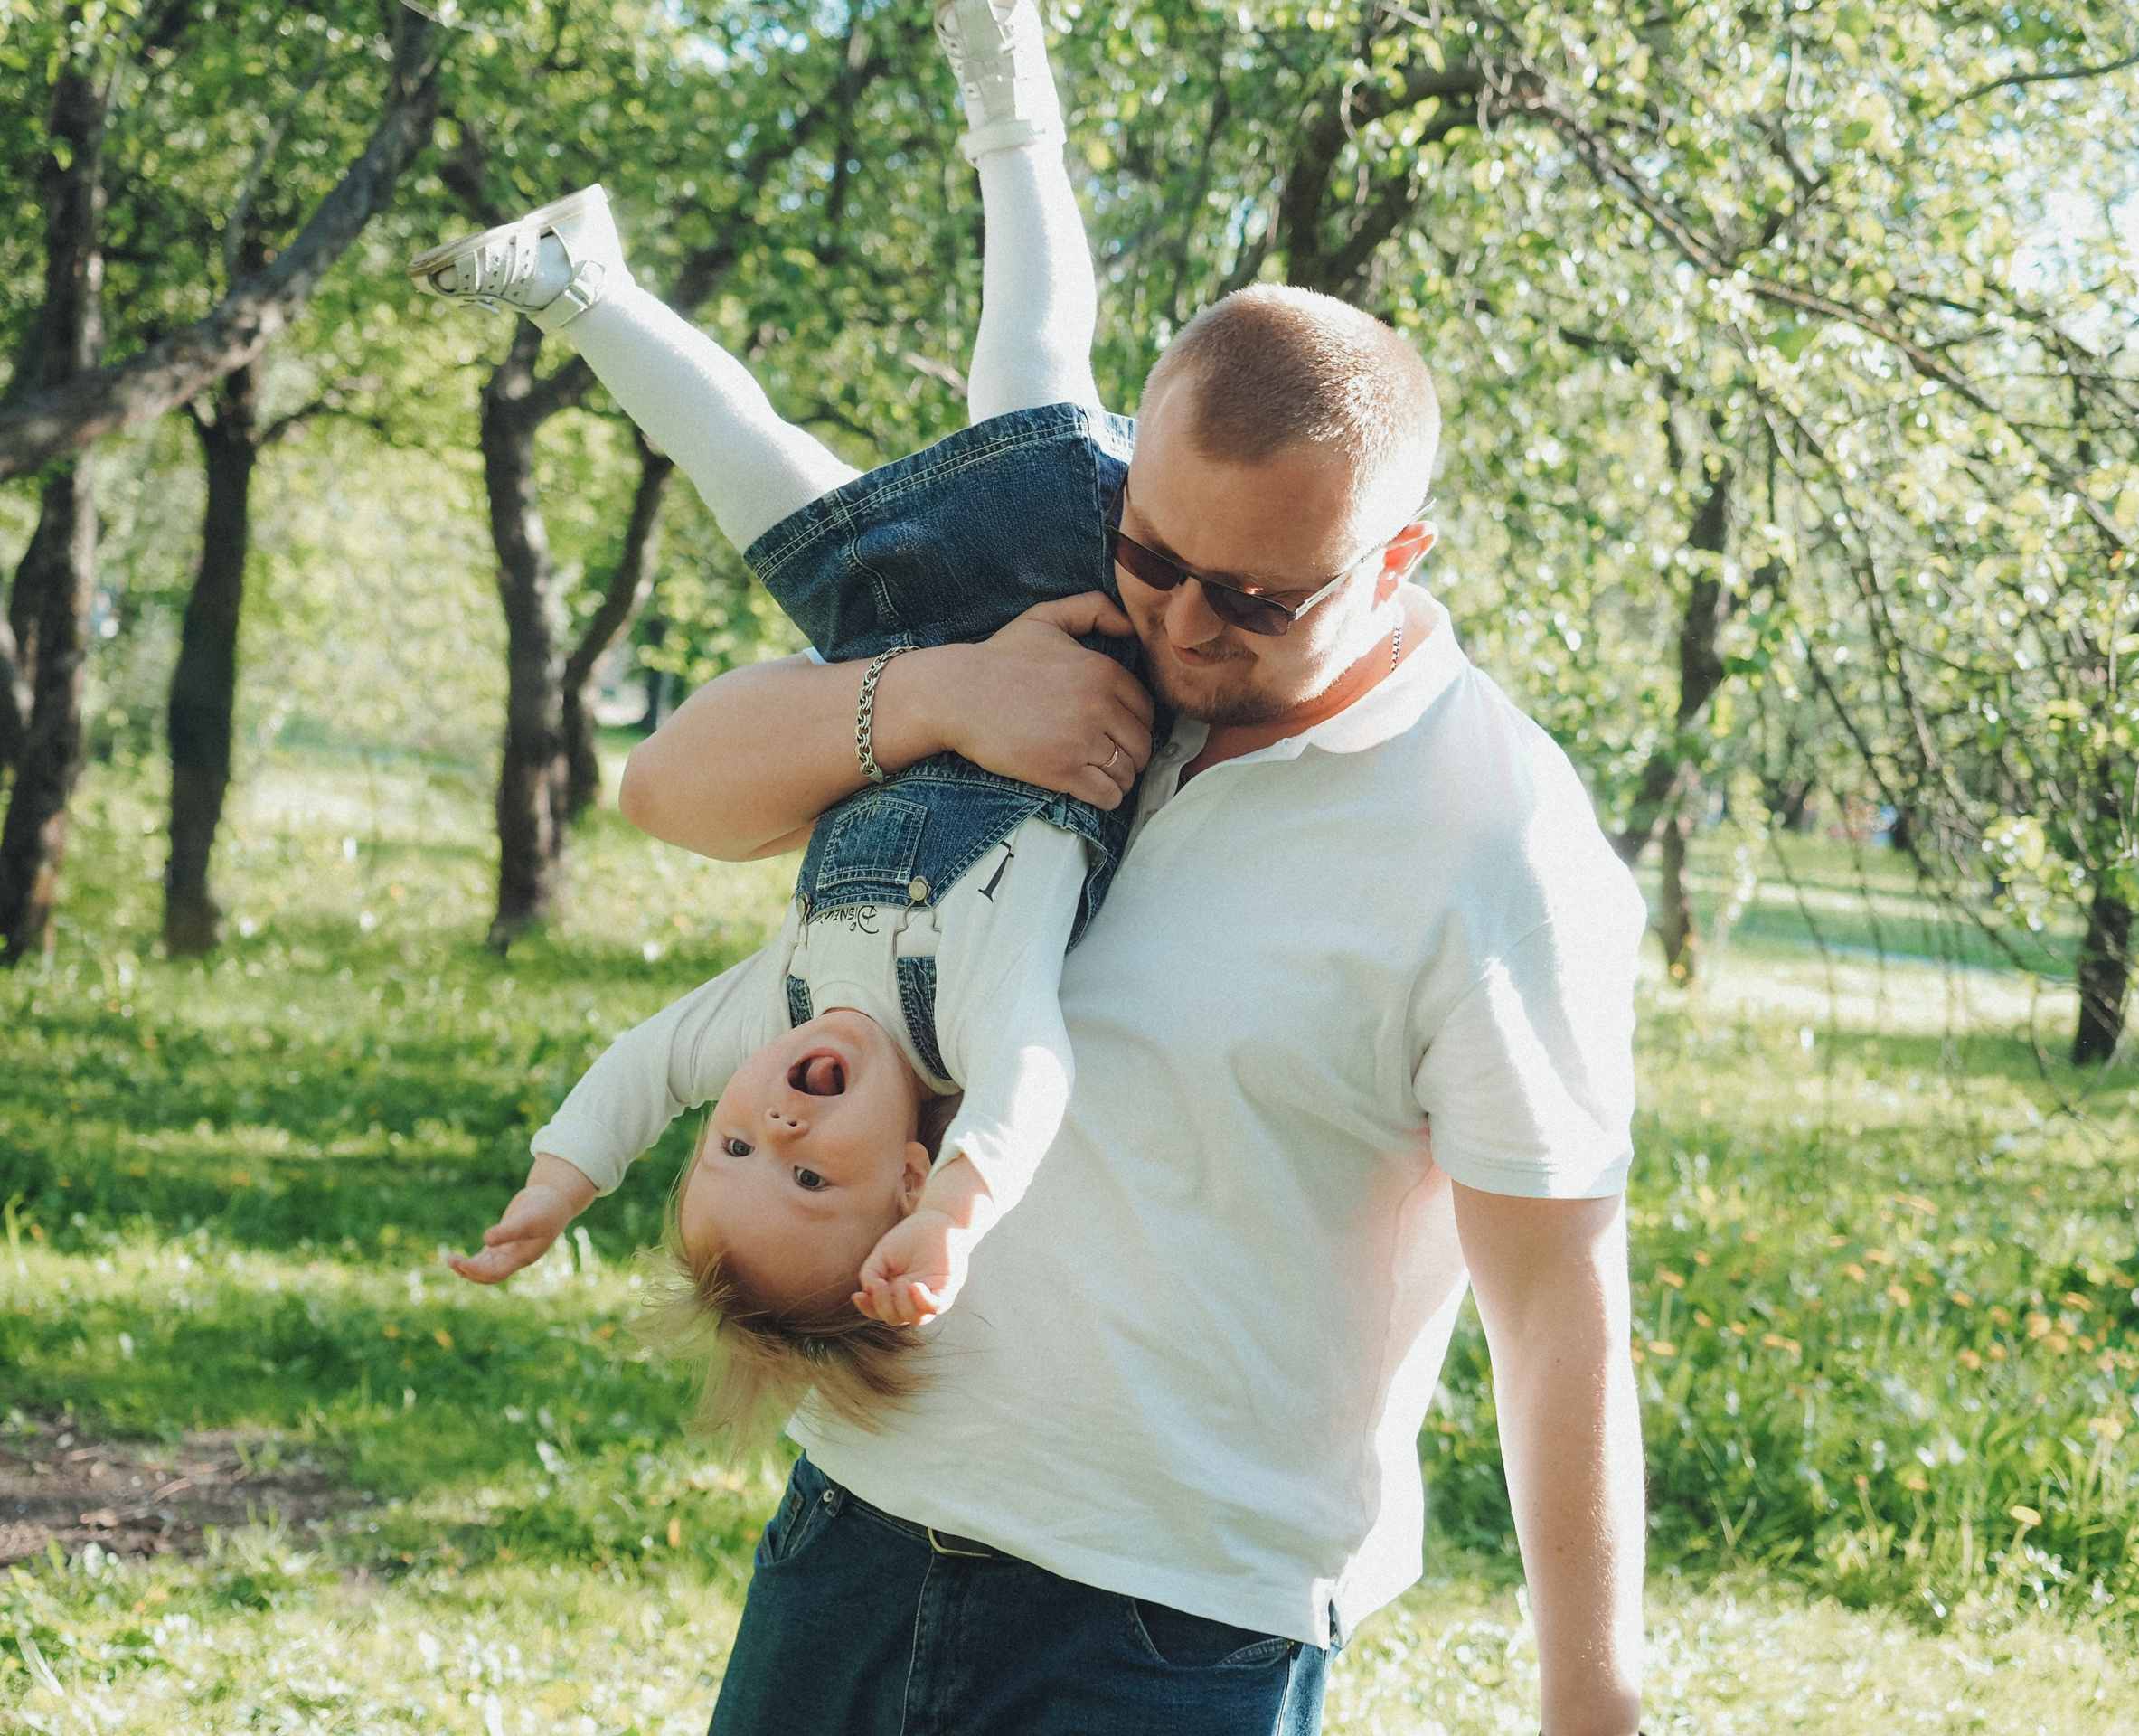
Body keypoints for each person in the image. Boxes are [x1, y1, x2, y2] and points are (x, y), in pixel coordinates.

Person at [617, 167, 1653, 1736]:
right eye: (1154, 554)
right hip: (854, 1539)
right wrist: (945, 694)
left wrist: (1595, 1705)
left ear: (1398, 558)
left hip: (1173, 1634)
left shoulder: (1496, 843)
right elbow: (671, 790)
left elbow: (1559, 1302)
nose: (1183, 625)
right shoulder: (1059, 633)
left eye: (1257, 598)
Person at [429, 0, 1165, 1379]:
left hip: (920, 658)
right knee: (1028, 372)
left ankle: (580, 283)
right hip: (1069, 632)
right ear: (906, 1172)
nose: (776, 1125)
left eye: (730, 1147)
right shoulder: (973, 1019)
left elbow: (646, 1066)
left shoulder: (779, 1004)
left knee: (755, 483)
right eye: (812, 1177)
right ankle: (1014, 92)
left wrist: (560, 1180)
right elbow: (1031, 1083)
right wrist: (960, 1216)